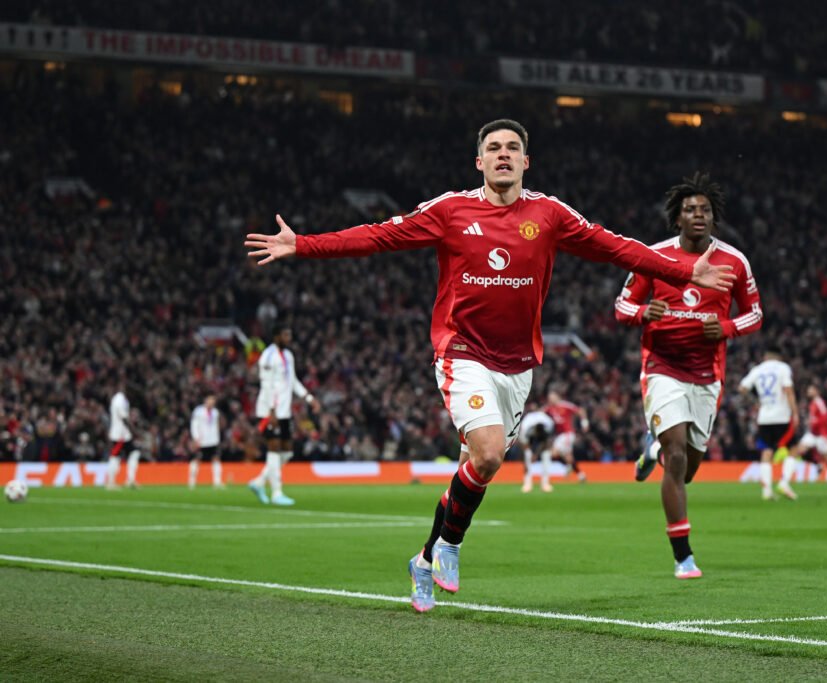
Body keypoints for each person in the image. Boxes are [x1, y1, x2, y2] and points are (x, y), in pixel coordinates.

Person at [245, 118, 736, 612]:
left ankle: (424, 558)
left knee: (473, 470)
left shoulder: (550, 214)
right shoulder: (451, 210)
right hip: (462, 351)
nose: (504, 154)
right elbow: (377, 236)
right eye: (494, 148)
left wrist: (682, 269)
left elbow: (614, 247)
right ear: (479, 161)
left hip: (518, 365)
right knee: (488, 453)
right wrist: (302, 244)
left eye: (513, 147)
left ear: (526, 161)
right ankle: (451, 547)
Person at [615, 171, 762, 580]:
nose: (698, 215)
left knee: (687, 468)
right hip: (662, 367)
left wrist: (728, 327)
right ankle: (683, 556)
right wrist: (644, 312)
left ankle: (654, 449)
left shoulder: (734, 261)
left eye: (705, 210)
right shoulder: (653, 258)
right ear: (676, 218)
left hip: (707, 375)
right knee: (677, 456)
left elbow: (755, 313)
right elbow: (622, 307)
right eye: (689, 210)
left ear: (714, 219)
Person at [248, 324, 321, 506]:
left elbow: (293, 380)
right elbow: (266, 385)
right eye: (285, 335)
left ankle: (258, 482)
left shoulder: (288, 356)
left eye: (289, 334)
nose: (288, 338)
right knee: (273, 449)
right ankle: (276, 492)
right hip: (269, 411)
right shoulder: (268, 357)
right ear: (276, 336)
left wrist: (309, 398)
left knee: (287, 452)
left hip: (284, 411)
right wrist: (271, 410)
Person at [739, 349, 799, 500]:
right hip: (782, 416)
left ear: (766, 356)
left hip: (764, 417)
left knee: (766, 452)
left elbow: (742, 388)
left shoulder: (757, 370)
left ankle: (766, 491)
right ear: (778, 357)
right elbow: (788, 390)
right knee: (793, 449)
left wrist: (755, 402)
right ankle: (784, 483)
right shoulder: (783, 368)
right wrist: (795, 412)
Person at [791, 384, 827, 483]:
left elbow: (825, 418)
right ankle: (817, 465)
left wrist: (813, 422)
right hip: (812, 434)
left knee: (826, 457)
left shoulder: (820, 402)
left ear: (817, 391)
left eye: (811, 389)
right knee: (800, 449)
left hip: (822, 434)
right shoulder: (812, 404)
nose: (808, 391)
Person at [544, 387, 588, 485]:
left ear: (557, 397)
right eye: (549, 397)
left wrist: (585, 423)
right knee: (567, 457)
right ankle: (578, 473)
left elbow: (581, 411)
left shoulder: (566, 405)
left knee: (554, 453)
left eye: (551, 397)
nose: (550, 399)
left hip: (567, 434)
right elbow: (540, 413)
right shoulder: (549, 408)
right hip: (560, 435)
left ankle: (571, 468)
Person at [105, 380, 141, 490]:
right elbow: (124, 418)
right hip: (119, 434)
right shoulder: (119, 400)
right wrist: (134, 431)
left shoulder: (123, 400)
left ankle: (130, 480)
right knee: (115, 457)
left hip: (124, 434)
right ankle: (110, 483)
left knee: (134, 452)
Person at [189, 394, 225, 489]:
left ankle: (217, 481)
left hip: (213, 440)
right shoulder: (198, 411)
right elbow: (194, 425)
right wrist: (196, 438)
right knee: (197, 459)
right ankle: (192, 480)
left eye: (213, 400)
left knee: (216, 458)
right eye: (210, 399)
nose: (212, 401)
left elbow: (216, 427)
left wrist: (218, 439)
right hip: (202, 440)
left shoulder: (216, 412)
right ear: (206, 400)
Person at [518, 406, 555, 493]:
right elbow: (524, 444)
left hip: (543, 439)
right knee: (528, 455)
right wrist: (533, 454)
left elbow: (546, 444)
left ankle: (545, 483)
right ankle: (527, 483)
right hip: (528, 439)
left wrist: (537, 454)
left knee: (546, 455)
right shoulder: (526, 426)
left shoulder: (549, 424)